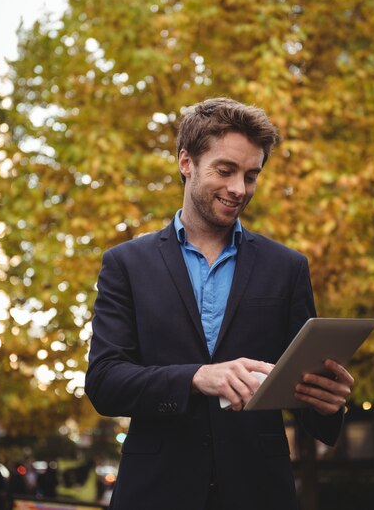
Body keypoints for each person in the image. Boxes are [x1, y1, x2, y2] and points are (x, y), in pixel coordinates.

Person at [85, 98, 354, 510]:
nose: (239, 189)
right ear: (186, 162)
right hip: (155, 492)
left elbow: (303, 395)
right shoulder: (125, 264)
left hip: (260, 492)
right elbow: (105, 382)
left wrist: (328, 402)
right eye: (225, 171)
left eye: (251, 175)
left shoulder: (287, 267)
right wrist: (197, 377)